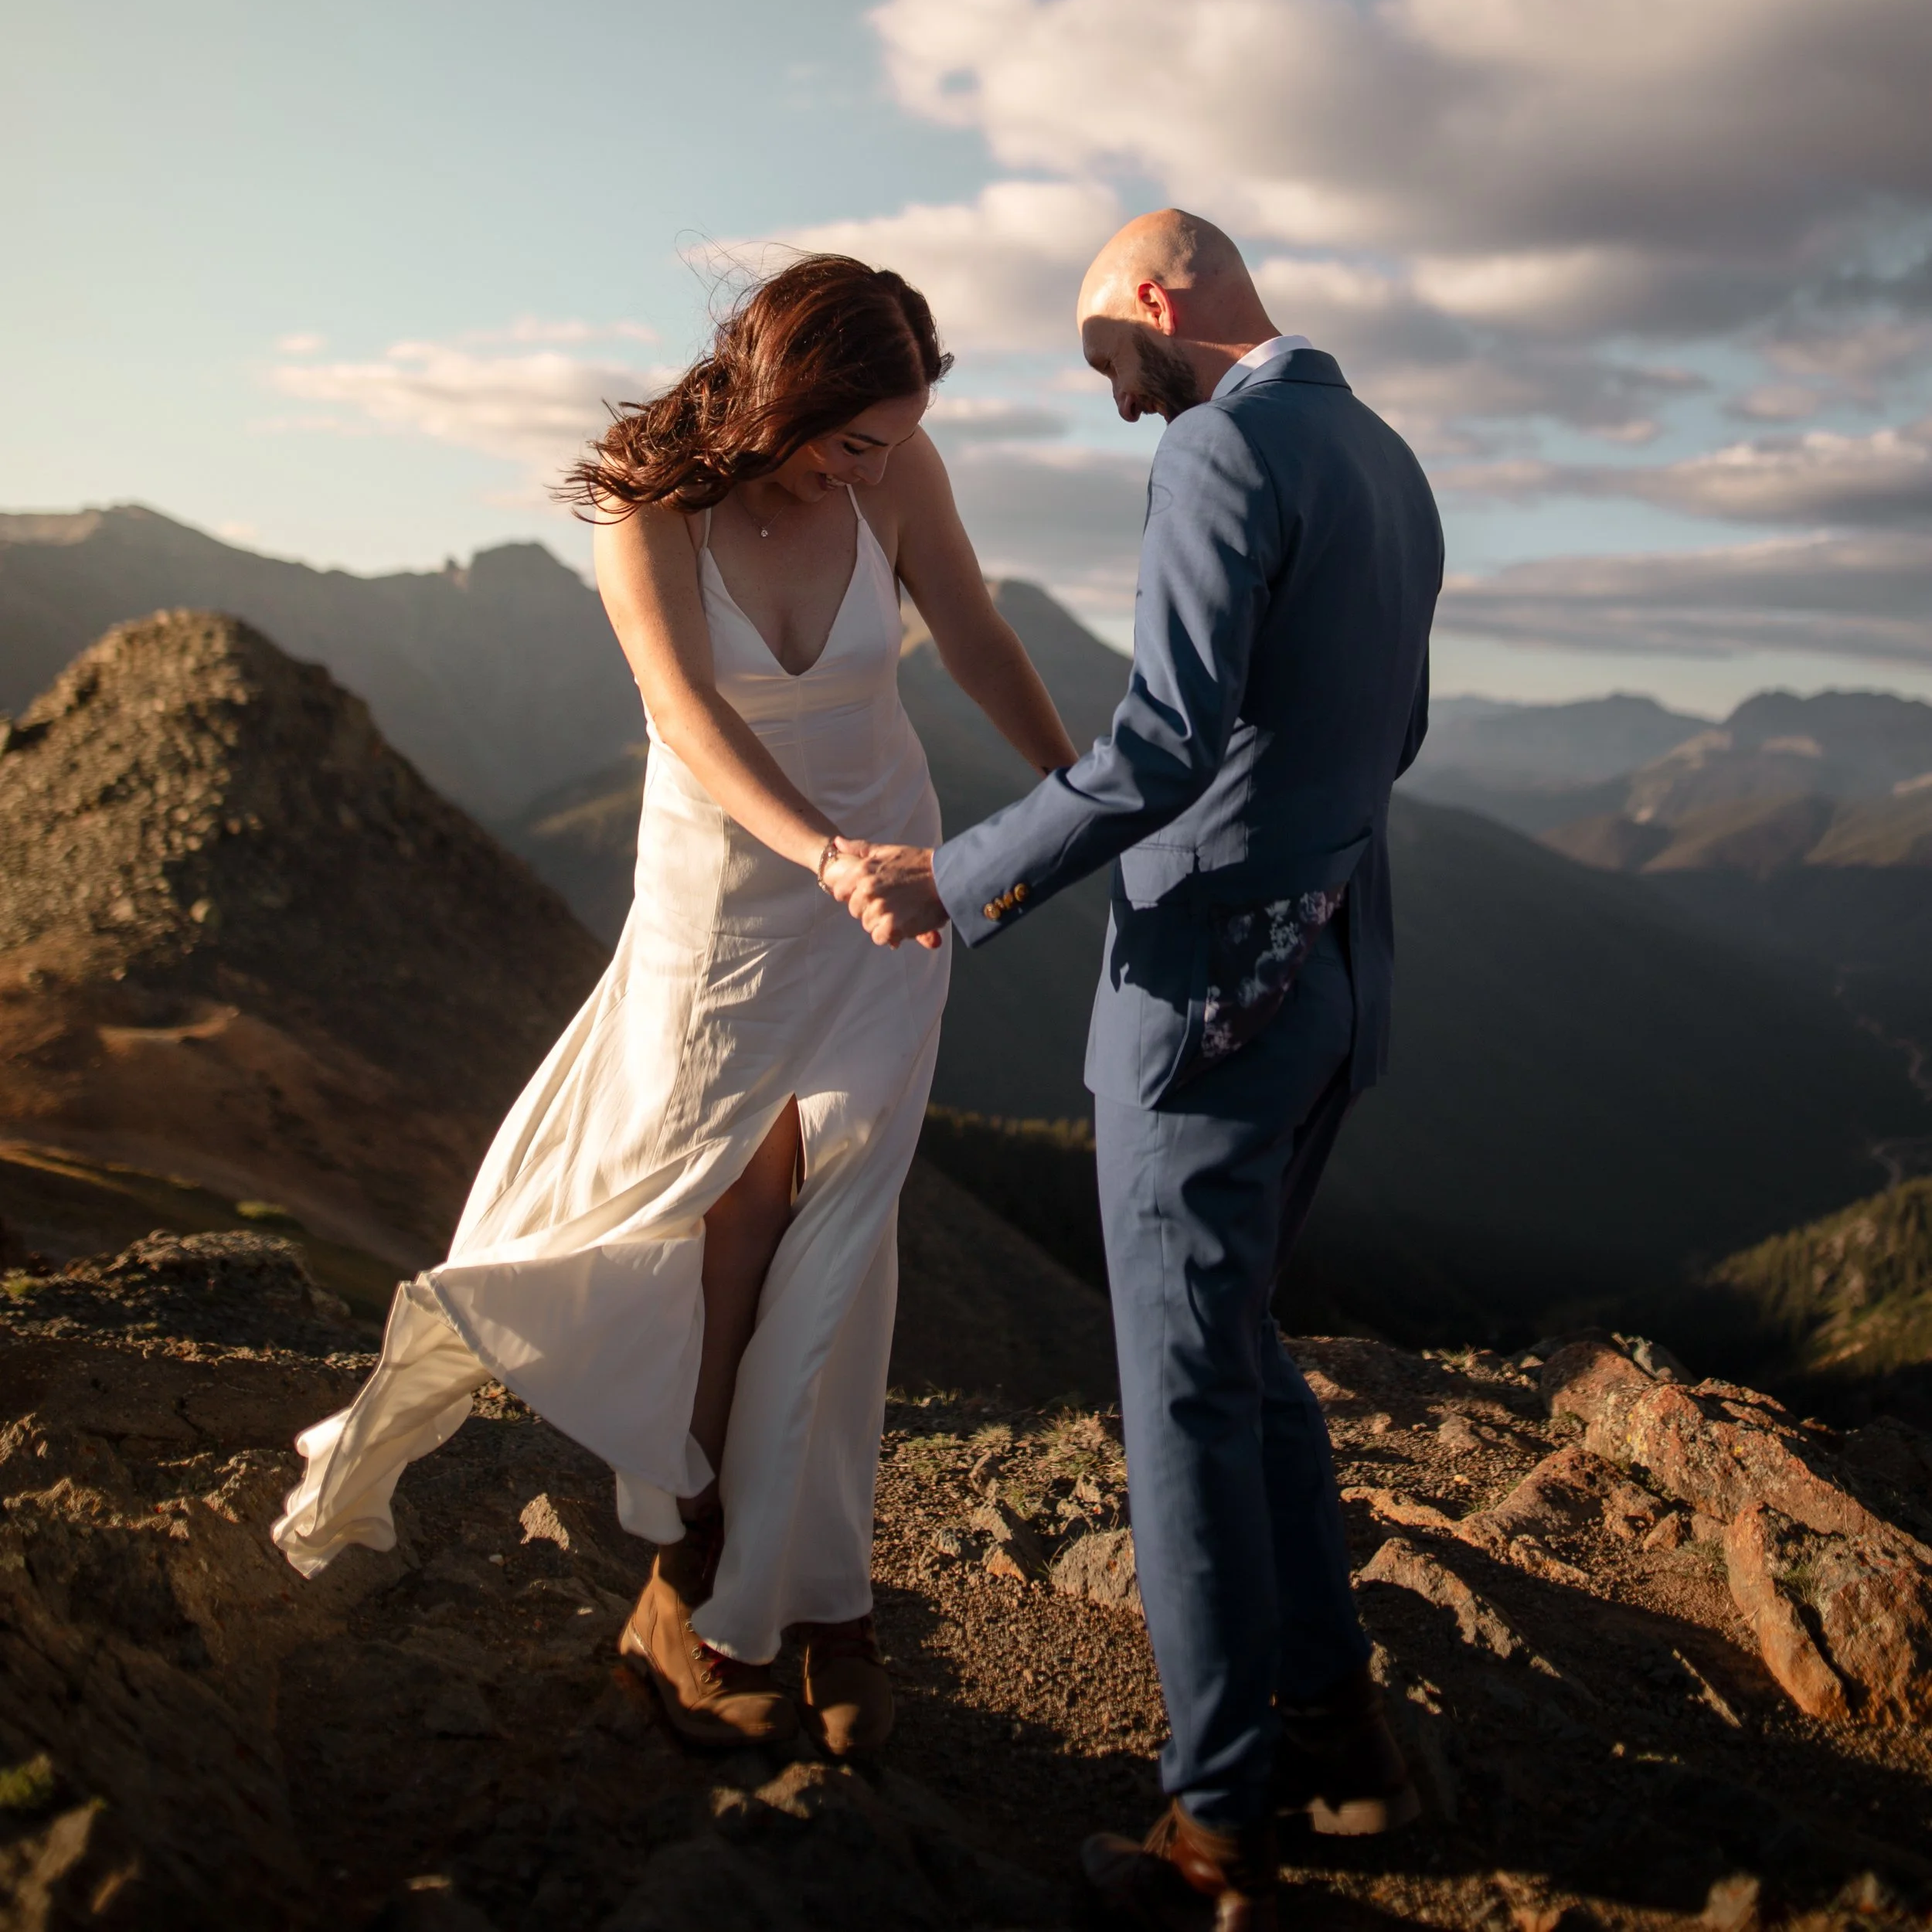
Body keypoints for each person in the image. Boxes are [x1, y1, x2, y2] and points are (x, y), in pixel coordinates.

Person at [272, 254, 1077, 1762]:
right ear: (784, 395)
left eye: (894, 440)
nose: (877, 467)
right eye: (852, 441)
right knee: (729, 1229)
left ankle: (808, 1594)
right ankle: (700, 1581)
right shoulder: (649, 507)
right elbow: (688, 717)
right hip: (729, 894)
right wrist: (815, 851)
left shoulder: (898, 473)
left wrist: (1082, 792)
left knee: (841, 1231)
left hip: (883, 904)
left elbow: (971, 634)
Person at [829, 211, 1443, 1929]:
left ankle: (1216, 1829)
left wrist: (950, 881)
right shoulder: (1381, 453)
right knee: (1241, 1360)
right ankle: (1339, 1741)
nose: (1112, 397)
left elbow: (1163, 743)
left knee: (1177, 1398)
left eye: (1107, 354)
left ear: (1161, 304)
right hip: (1334, 974)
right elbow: (1389, 733)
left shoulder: (1218, 450)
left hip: (1210, 1000)